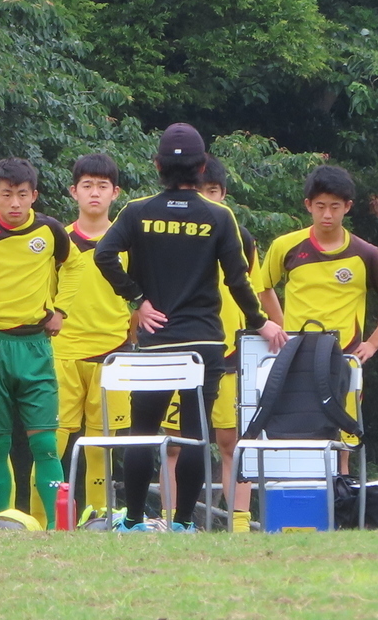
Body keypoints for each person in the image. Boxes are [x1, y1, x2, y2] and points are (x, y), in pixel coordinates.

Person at [94, 125, 284, 530]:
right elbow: (238, 279)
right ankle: (181, 523)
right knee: (197, 433)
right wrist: (260, 322)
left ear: (157, 165)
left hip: (155, 340)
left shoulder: (137, 211)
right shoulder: (218, 215)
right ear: (201, 167)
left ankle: (132, 521)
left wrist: (137, 300)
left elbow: (104, 255)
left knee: (144, 431)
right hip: (204, 343)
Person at [0, 158, 70, 523]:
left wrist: (61, 310)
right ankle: (0, 523)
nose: (14, 204)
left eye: (22, 195)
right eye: (6, 195)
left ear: (33, 196)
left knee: (45, 443)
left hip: (35, 345)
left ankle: (60, 527)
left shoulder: (51, 231)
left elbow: (74, 267)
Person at [255, 166, 378, 362]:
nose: (327, 214)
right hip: (296, 356)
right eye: (320, 206)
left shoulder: (366, 253)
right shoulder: (285, 246)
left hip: (345, 358)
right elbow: (262, 286)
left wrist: (373, 343)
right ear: (308, 205)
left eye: (335, 207)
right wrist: (282, 326)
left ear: (347, 206)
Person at [55, 154, 133, 516]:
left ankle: (98, 517)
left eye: (103, 186)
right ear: (74, 192)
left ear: (115, 192)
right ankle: (47, 517)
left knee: (102, 446)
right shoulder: (59, 241)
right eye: (87, 185)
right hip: (62, 352)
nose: (95, 193)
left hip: (112, 352)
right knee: (51, 442)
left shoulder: (129, 242)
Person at [193, 158, 257, 517]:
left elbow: (258, 292)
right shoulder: (174, 233)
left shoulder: (242, 238)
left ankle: (241, 524)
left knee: (233, 442)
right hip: (184, 348)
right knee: (175, 445)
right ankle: (172, 524)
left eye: (214, 192)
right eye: (201, 192)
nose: (207, 199)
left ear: (225, 195)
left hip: (231, 351)